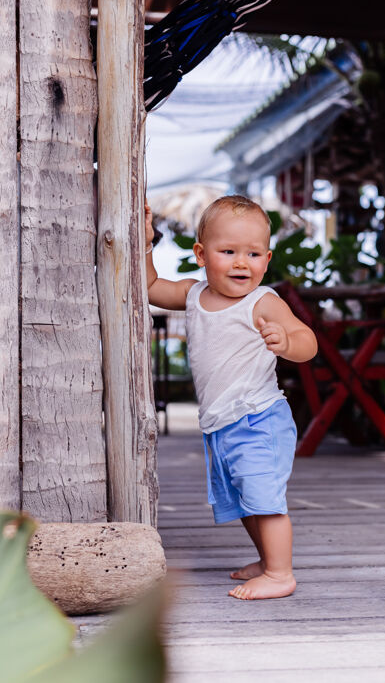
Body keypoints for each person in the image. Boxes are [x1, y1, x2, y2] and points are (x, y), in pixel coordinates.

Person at [145, 195, 317, 600]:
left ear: (267, 258)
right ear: (201, 255)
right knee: (244, 499)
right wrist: (146, 242)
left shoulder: (264, 301)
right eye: (229, 252)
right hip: (222, 423)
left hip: (259, 418)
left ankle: (280, 573)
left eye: (253, 254)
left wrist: (285, 340)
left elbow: (308, 343)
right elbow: (149, 286)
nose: (242, 263)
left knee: (264, 498)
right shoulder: (192, 294)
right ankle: (265, 558)